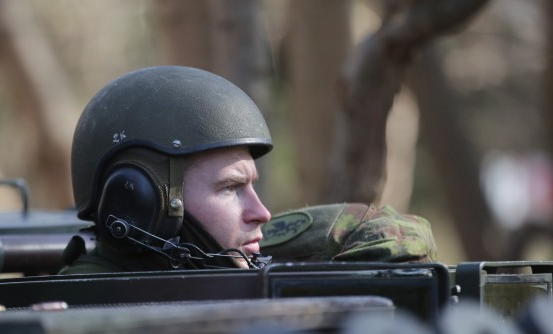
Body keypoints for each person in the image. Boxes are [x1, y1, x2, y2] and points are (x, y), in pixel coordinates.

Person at [60, 66, 436, 274]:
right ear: (140, 202)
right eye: (230, 188)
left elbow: (398, 233)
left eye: (251, 185)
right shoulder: (80, 310)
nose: (262, 213)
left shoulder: (219, 260)